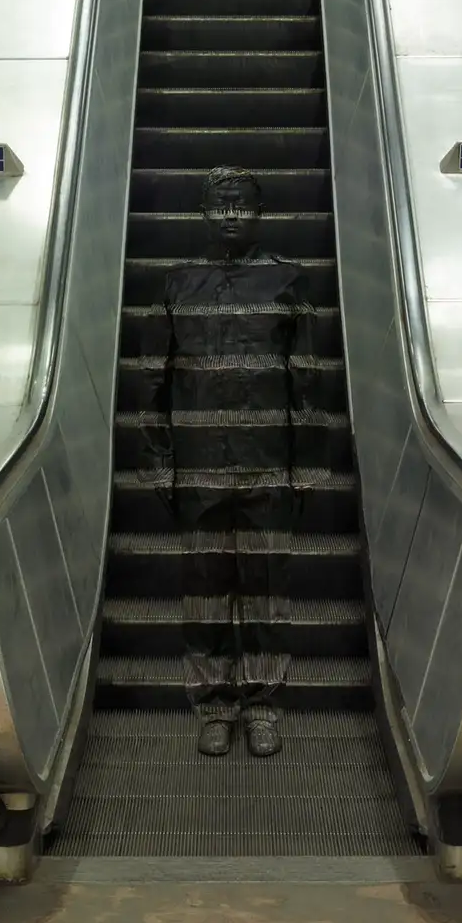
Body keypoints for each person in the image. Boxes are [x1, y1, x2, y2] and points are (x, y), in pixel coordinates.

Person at [135, 165, 321, 758]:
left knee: (267, 592)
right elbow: (151, 380)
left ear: (260, 213)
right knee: (204, 591)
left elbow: (307, 381)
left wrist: (306, 466)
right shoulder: (176, 284)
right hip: (198, 464)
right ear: (204, 213)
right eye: (222, 205)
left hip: (268, 462)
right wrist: (158, 460)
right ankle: (214, 706)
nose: (232, 215)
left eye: (242, 205)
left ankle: (263, 705)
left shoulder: (289, 280)